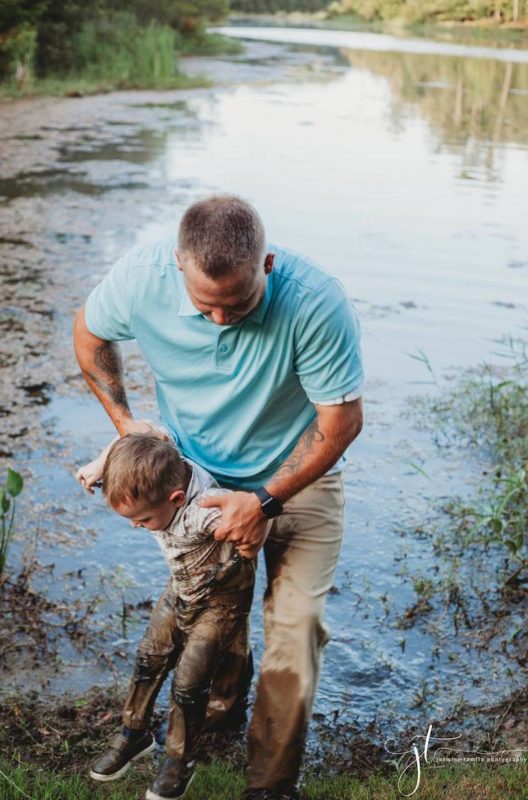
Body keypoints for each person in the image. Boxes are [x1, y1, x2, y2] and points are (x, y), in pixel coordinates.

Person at [73, 194, 364, 800]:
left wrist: (262, 502)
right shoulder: (140, 279)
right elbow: (88, 334)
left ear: (268, 265)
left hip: (298, 472)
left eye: (239, 304)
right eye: (207, 306)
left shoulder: (314, 302)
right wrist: (126, 425)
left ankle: (270, 784)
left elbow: (339, 424)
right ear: (178, 264)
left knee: (296, 625)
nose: (223, 321)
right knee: (212, 613)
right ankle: (220, 718)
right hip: (197, 478)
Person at [82, 432, 256, 800]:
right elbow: (139, 434)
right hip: (181, 587)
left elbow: (246, 532)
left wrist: (246, 538)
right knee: (149, 656)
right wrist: (104, 464)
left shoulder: (202, 514)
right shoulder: (163, 475)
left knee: (189, 684)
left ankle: (181, 759)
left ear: (176, 500)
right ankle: (134, 732)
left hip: (219, 601)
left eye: (142, 519)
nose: (136, 526)